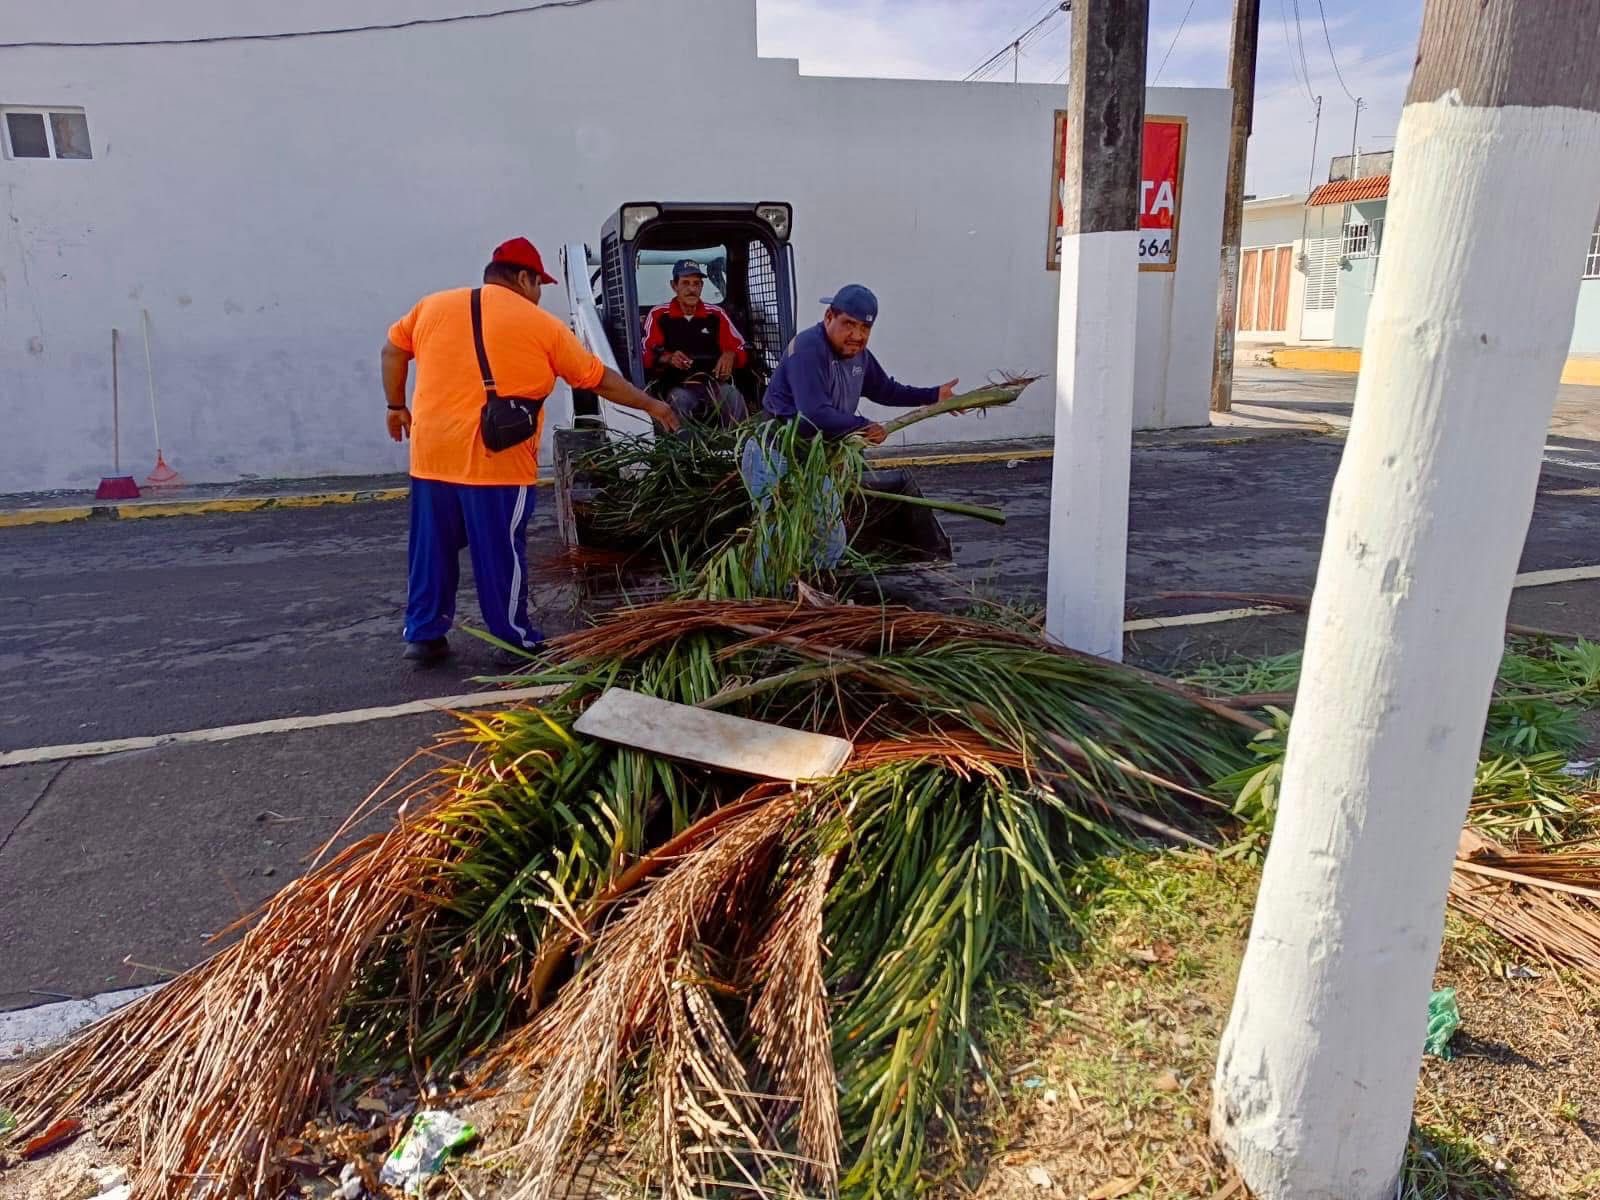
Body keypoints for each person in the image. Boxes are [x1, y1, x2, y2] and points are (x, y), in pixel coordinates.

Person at [383, 236, 679, 666]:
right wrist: (652, 404)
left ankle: (424, 635)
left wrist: (396, 406)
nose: (540, 294)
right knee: (500, 553)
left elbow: (392, 349)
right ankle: (513, 639)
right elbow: (598, 380)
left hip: (432, 458)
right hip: (496, 462)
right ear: (524, 278)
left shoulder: (431, 307)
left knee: (432, 549)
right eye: (539, 284)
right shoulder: (541, 325)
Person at [742, 283, 957, 574]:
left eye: (865, 328)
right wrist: (863, 426)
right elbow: (814, 413)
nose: (857, 336)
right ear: (829, 316)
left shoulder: (858, 356)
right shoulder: (807, 348)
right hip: (775, 457)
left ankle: (813, 597)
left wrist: (933, 395)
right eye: (849, 325)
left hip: (817, 460)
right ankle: (767, 604)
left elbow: (885, 390)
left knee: (829, 539)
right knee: (775, 539)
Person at [642, 259, 750, 428]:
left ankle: (738, 447)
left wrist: (731, 355)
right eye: (685, 283)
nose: (692, 289)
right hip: (678, 386)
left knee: (733, 396)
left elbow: (741, 348)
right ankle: (686, 450)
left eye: (696, 284)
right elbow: (645, 354)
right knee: (678, 400)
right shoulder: (658, 315)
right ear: (674, 286)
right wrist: (669, 358)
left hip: (713, 384)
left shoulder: (716, 314)